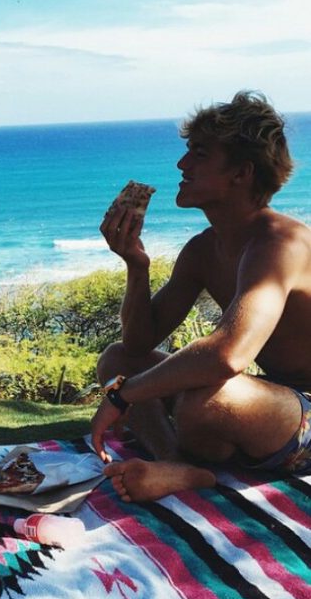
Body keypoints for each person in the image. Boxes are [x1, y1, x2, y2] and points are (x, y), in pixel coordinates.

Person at [91, 90, 311, 503]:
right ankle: (176, 463)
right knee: (117, 359)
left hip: (304, 412)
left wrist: (123, 395)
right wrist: (136, 267)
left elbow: (227, 355)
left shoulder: (280, 243)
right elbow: (139, 344)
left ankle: (183, 463)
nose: (181, 164)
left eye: (199, 154)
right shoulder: (202, 249)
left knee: (208, 398)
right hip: (272, 397)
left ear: (241, 173)